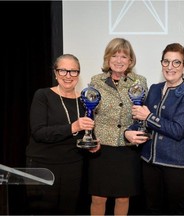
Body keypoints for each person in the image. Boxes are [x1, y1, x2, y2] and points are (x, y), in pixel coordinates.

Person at [125, 43, 184, 214]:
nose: (170, 67)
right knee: (151, 209)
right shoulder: (154, 88)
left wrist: (149, 117)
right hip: (149, 162)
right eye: (166, 62)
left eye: (176, 62)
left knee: (174, 211)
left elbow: (178, 130)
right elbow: (140, 119)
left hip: (177, 166)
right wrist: (128, 132)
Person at [26, 54, 100, 215]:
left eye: (73, 71)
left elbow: (86, 132)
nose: (68, 76)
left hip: (72, 166)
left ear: (78, 74)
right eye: (63, 71)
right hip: (43, 165)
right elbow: (39, 132)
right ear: (55, 73)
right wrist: (72, 127)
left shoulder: (85, 99)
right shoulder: (43, 95)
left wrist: (92, 142)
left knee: (69, 211)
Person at [88, 38, 148, 215]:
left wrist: (129, 134)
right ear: (108, 58)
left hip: (127, 148)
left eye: (124, 56)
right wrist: (91, 138)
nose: (119, 60)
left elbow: (141, 115)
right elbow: (90, 113)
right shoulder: (96, 81)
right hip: (101, 148)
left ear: (130, 61)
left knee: (123, 197)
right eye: (114, 55)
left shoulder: (140, 81)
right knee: (98, 197)